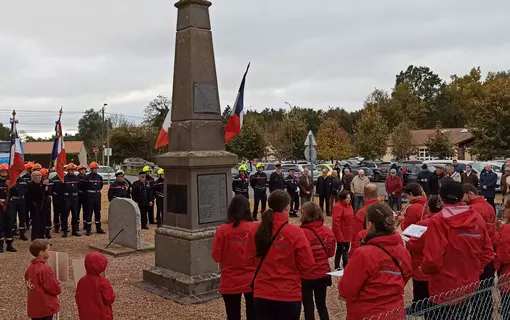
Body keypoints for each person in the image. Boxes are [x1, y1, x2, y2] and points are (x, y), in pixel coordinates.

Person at [421, 181, 494, 319]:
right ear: (462, 197)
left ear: (441, 198)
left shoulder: (438, 221)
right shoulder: (477, 218)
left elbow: (432, 260)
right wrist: (474, 269)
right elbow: (487, 253)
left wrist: (424, 269)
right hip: (469, 285)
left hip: (443, 288)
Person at [245, 190, 314, 320]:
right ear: (287, 206)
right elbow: (307, 263)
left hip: (262, 291)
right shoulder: (295, 232)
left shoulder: (255, 229)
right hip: (288, 293)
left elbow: (248, 258)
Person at [339, 203, 412, 320]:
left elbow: (347, 289)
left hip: (367, 312)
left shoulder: (364, 254)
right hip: (394, 312)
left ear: (369, 225)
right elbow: (406, 275)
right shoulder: (403, 252)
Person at [212, 195, 256, 320]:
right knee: (254, 314)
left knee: (232, 315)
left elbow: (216, 256)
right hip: (252, 277)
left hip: (230, 278)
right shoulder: (254, 228)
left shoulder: (222, 230)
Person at [462, 183, 497, 320]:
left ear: (470, 194)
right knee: (486, 293)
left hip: (479, 257)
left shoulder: (473, 209)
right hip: (489, 253)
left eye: (463, 197)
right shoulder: (488, 206)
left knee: (477, 294)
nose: (462, 200)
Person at [406, 195, 443, 309]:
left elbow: (415, 244)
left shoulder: (424, 223)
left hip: (422, 260)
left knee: (421, 285)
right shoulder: (445, 221)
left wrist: (408, 242)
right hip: (440, 261)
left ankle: (418, 307)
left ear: (428, 207)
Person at [300, 202, 335, 320]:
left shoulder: (301, 233)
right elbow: (331, 253)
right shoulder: (327, 231)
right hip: (322, 272)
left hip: (305, 274)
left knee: (308, 307)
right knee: (321, 305)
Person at [25, 239, 61, 320]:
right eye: (48, 250)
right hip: (45, 307)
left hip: (35, 307)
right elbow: (54, 288)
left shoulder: (30, 268)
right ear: (41, 253)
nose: (49, 252)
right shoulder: (44, 269)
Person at [75, 252, 116, 320]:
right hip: (101, 316)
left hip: (85, 315)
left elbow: (78, 297)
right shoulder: (103, 282)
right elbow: (110, 299)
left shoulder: (81, 281)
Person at [26, 170, 51, 241]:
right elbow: (28, 197)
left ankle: (41, 236)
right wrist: (31, 205)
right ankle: (34, 237)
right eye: (37, 176)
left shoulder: (42, 184)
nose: (39, 177)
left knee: (42, 221)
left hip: (42, 205)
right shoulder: (30, 185)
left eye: (40, 176)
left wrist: (46, 186)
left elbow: (46, 193)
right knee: (35, 222)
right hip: (34, 206)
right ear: (33, 177)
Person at [332, 190, 354, 270]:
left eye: (349, 198)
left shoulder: (349, 206)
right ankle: (337, 266)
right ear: (342, 199)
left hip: (348, 232)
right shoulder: (338, 207)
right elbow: (336, 222)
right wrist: (339, 235)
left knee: (346, 250)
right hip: (341, 232)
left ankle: (345, 265)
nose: (349, 199)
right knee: (340, 250)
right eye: (347, 198)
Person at [83, 162, 105, 236]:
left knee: (98, 212)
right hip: (90, 196)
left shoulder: (99, 177)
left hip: (97, 195)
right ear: (91, 169)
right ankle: (88, 229)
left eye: (96, 168)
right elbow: (84, 187)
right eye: (94, 168)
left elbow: (101, 185)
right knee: (89, 212)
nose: (96, 170)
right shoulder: (87, 177)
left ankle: (98, 228)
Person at [0, 164, 17, 252]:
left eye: (5, 171)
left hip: (9, 206)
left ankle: (9, 244)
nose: (4, 173)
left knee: (9, 225)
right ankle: (0, 245)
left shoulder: (10, 182)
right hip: (0, 205)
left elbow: (16, 193)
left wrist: (11, 186)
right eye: (2, 171)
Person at [10, 167, 29, 241]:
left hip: (21, 201)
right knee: (12, 218)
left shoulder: (23, 181)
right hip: (13, 201)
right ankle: (12, 234)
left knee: (22, 217)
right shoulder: (11, 181)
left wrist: (21, 194)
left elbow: (26, 190)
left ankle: (22, 234)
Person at [63, 163, 81, 237]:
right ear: (68, 170)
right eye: (71, 170)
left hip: (75, 198)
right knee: (65, 215)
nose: (72, 171)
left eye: (73, 170)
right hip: (67, 198)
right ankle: (65, 231)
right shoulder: (64, 178)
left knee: (75, 215)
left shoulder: (76, 178)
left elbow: (79, 187)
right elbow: (61, 188)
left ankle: (74, 230)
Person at [77, 164, 87, 231]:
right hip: (77, 197)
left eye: (84, 169)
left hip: (85, 196)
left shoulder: (87, 177)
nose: (83, 171)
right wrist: (78, 191)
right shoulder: (76, 178)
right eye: (81, 170)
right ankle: (76, 225)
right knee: (76, 212)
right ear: (79, 170)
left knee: (86, 212)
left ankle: (86, 225)